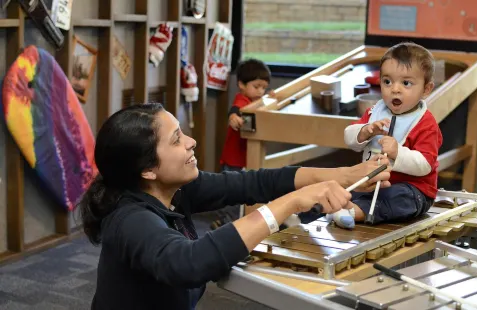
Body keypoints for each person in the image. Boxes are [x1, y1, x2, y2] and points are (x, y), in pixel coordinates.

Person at [79, 103, 391, 310]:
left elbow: (257, 183)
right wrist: (293, 202)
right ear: (147, 169)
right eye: (176, 140)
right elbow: (189, 263)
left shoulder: (175, 189)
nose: (191, 142)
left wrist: (346, 175)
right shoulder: (129, 219)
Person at [328, 42, 443, 229]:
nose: (394, 89)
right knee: (345, 185)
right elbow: (349, 137)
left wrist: (398, 152)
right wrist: (364, 131)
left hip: (413, 190)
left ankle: (352, 212)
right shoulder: (377, 111)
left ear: (426, 89)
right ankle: (342, 206)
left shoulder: (426, 124)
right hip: (372, 183)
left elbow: (425, 165)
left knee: (397, 198)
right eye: (387, 81)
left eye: (406, 83)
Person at [212, 58, 275, 228]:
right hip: (234, 159)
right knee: (234, 194)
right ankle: (226, 224)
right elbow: (235, 109)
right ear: (241, 84)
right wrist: (233, 117)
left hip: (242, 158)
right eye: (256, 87)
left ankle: (223, 222)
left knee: (232, 192)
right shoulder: (242, 101)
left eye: (264, 87)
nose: (261, 91)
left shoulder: (256, 100)